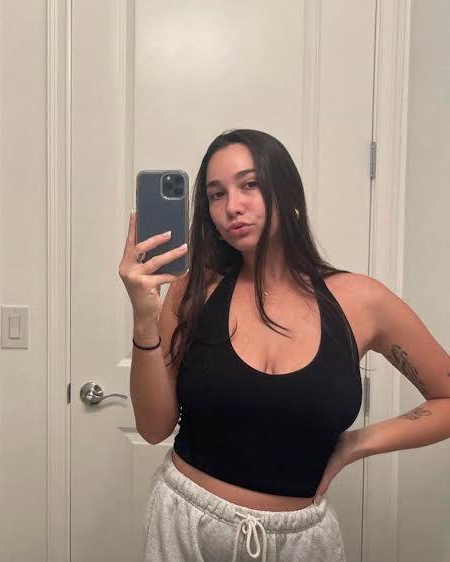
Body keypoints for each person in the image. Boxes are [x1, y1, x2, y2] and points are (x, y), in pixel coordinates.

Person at [118, 129, 450, 561]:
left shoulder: (362, 301)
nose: (232, 206)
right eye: (216, 195)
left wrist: (357, 444)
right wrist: (144, 318)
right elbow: (153, 428)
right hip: (185, 526)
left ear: (287, 191)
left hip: (302, 542)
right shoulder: (194, 290)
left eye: (250, 184)